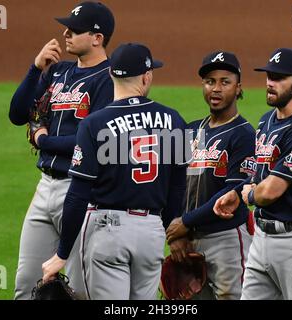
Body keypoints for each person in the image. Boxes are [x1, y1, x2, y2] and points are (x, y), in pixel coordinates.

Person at [41, 43, 189, 300]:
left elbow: (77, 194)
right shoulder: (175, 120)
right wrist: (169, 230)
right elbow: (177, 187)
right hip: (151, 233)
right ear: (147, 76)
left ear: (111, 75)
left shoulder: (94, 123)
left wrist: (61, 254)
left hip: (108, 232)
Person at [8, 1, 115, 299]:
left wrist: (44, 141)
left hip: (83, 192)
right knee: (27, 284)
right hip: (45, 189)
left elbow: (92, 142)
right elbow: (17, 114)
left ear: (97, 38)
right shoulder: (59, 72)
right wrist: (35, 68)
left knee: (82, 290)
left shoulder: (109, 80)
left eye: (75, 29)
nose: (66, 32)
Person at [213, 48, 292, 300]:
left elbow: (271, 191)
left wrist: (250, 196)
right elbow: (260, 173)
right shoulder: (267, 121)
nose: (269, 83)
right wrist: (237, 193)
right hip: (262, 240)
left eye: (278, 78)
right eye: (268, 76)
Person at [165, 51, 255, 300]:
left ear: (238, 88)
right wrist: (175, 233)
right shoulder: (190, 130)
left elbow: (232, 193)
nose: (215, 89)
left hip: (227, 240)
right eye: (209, 81)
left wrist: (185, 223)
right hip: (188, 239)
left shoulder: (244, 135)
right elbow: (172, 184)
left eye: (224, 82)